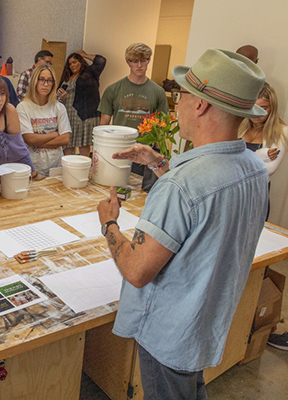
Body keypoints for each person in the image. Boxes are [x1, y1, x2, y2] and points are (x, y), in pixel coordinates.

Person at [96, 49, 268, 399]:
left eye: (182, 95)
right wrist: (160, 164)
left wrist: (109, 224)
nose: (176, 105)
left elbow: (137, 270)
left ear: (201, 105)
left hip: (168, 334)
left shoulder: (182, 188)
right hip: (203, 322)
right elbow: (205, 213)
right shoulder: (253, 169)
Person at [98, 43, 168, 190]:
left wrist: (158, 155)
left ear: (149, 60)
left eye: (144, 60)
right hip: (120, 149)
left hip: (145, 154)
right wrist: (101, 154)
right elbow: (103, 126)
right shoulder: (113, 90)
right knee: (114, 191)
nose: (139, 65)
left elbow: (161, 130)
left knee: (141, 194)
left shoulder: (158, 92)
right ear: (127, 62)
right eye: (134, 61)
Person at [17, 64, 70, 176]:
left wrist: (38, 142)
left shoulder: (59, 107)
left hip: (56, 165)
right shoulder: (23, 107)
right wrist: (54, 135)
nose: (46, 84)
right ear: (34, 81)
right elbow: (29, 139)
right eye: (42, 80)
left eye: (49, 81)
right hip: (34, 167)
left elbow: (65, 139)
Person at [57, 50, 106, 156]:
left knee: (83, 145)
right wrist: (61, 97)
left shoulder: (90, 73)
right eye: (70, 64)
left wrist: (84, 55)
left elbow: (101, 61)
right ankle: (68, 169)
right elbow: (56, 99)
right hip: (67, 115)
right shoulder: (66, 78)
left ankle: (85, 170)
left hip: (84, 114)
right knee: (67, 145)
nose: (72, 65)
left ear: (81, 61)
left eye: (75, 62)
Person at [239, 85, 287, 177]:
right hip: (232, 187)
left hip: (257, 188)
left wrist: (235, 161)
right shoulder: (239, 124)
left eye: (263, 108)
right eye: (253, 107)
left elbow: (269, 169)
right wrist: (260, 155)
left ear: (272, 108)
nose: (256, 113)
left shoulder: (282, 131)